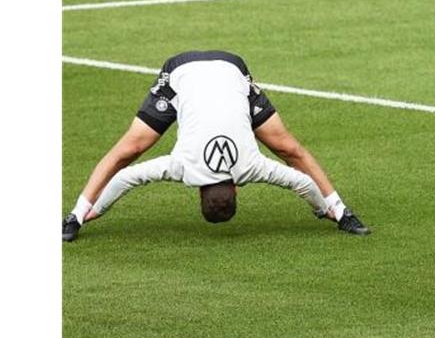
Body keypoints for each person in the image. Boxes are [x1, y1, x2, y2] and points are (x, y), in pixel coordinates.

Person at [62, 50, 370, 241]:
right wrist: (326, 210)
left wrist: (93, 209)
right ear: (235, 187)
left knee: (129, 150)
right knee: (289, 148)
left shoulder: (238, 167)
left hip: (228, 69)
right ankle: (341, 213)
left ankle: (75, 217)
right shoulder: (238, 166)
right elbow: (302, 182)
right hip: (191, 74)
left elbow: (301, 184)